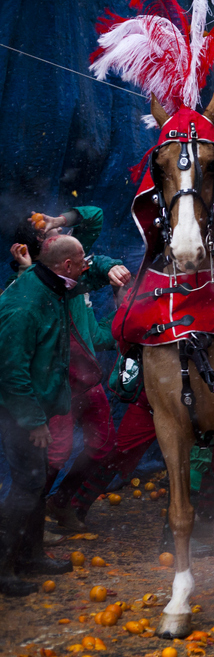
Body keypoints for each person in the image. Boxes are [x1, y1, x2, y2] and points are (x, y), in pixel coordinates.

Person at [0, 236, 127, 595]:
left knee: (36, 483)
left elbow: (95, 270)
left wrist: (110, 268)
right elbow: (11, 372)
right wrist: (35, 421)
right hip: (19, 410)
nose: (87, 264)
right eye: (82, 260)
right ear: (67, 266)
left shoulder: (55, 283)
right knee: (26, 487)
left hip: (40, 403)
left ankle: (31, 555)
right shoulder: (25, 305)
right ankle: (4, 568)